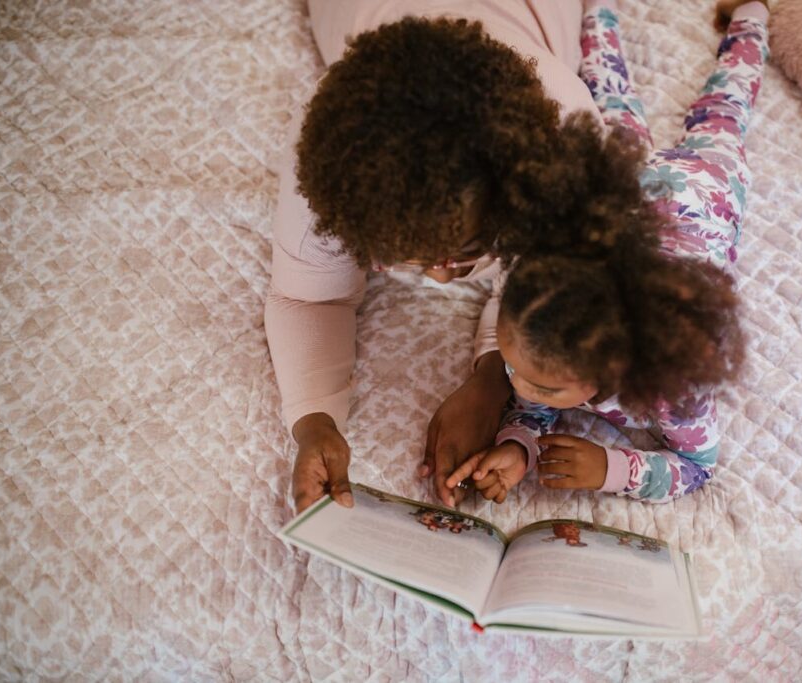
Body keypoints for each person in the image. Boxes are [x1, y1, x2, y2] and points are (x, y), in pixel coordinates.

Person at [266, 1, 632, 513]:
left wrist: (491, 376)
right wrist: (314, 422)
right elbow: (305, 297)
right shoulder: (327, 159)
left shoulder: (562, 142)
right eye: (409, 261)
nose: (440, 277)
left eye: (462, 254)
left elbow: (544, 288)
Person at [445, 0, 771, 503]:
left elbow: (698, 465)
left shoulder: (674, 390)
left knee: (726, 107)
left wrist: (614, 468)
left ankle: (752, 15)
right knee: (601, 86)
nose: (518, 387)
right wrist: (516, 445)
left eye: (544, 388)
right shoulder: (539, 323)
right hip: (625, 187)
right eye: (512, 366)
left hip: (707, 184)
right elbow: (531, 394)